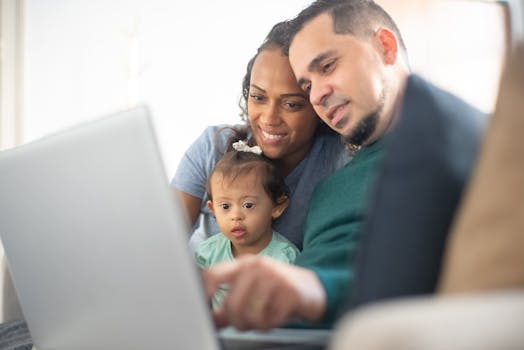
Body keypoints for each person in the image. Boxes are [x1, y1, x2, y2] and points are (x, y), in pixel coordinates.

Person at [203, 0, 483, 331]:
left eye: (328, 66)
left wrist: (315, 289)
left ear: (385, 47)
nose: (317, 94)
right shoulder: (332, 186)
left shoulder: (451, 134)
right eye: (306, 85)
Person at [172, 21, 349, 252]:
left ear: (319, 104)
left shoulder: (339, 162)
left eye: (291, 104)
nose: (269, 118)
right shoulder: (212, 147)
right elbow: (162, 244)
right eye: (258, 97)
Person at [195, 128, 300, 308]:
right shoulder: (207, 253)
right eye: (225, 207)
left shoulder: (285, 258)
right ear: (213, 209)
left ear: (277, 207)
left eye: (248, 205)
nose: (236, 216)